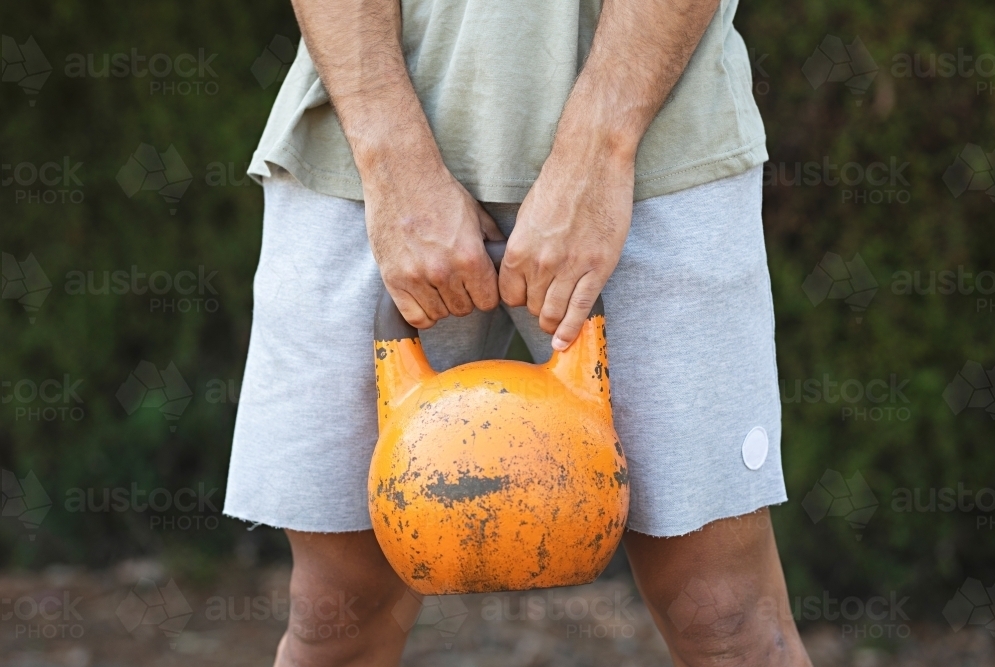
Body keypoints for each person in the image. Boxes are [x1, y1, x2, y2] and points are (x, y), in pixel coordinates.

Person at [224, 0, 813, 664]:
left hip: (660, 143)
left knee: (728, 620)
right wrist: (393, 161)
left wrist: (600, 149)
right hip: (364, 150)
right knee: (336, 619)